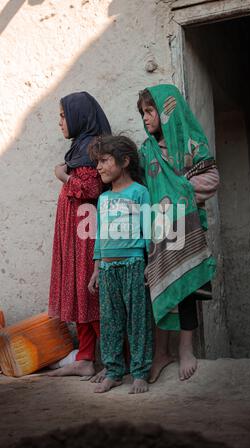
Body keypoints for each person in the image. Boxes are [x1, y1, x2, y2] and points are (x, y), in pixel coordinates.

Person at [137, 84, 219, 382]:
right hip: (158, 231)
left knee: (187, 291)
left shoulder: (189, 143)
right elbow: (143, 190)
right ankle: (161, 352)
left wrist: (179, 189)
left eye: (150, 111)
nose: (146, 118)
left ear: (167, 109)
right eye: (142, 113)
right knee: (159, 288)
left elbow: (211, 178)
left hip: (187, 228)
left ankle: (186, 349)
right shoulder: (146, 151)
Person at [48, 91, 111, 377]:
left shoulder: (92, 148)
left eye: (63, 116)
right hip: (74, 235)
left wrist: (63, 176)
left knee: (91, 293)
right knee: (79, 292)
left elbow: (90, 190)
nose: (60, 122)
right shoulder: (79, 147)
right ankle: (85, 358)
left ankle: (112, 362)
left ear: (79, 116)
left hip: (87, 233)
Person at [88, 135, 153, 394]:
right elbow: (100, 236)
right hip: (107, 269)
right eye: (98, 162)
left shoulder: (140, 192)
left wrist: (150, 262)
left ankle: (140, 373)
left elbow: (148, 230)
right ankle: (114, 372)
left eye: (104, 161)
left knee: (138, 321)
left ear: (124, 161)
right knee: (110, 322)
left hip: (134, 265)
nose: (99, 167)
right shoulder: (103, 200)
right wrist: (96, 269)